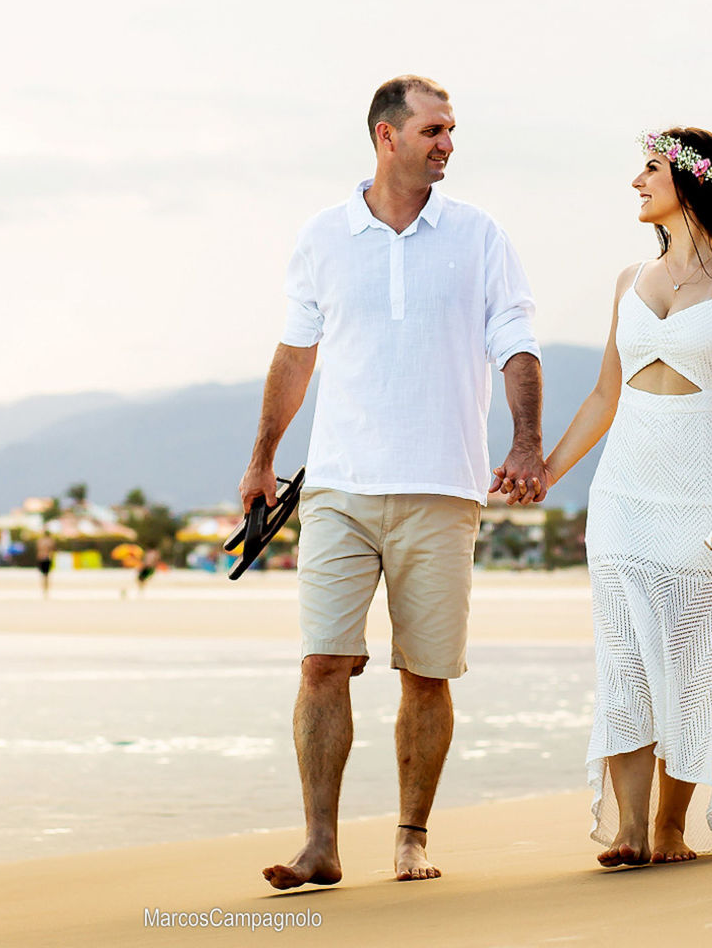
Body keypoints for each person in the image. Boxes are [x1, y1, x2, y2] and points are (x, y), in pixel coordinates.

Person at [241, 75, 545, 890]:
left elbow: (516, 340)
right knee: (321, 663)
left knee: (426, 672)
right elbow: (295, 354)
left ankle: (412, 838)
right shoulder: (323, 236)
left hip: (443, 485)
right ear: (387, 136)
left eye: (450, 130)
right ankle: (320, 844)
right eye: (433, 130)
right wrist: (261, 458)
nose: (448, 143)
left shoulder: (478, 235)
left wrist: (525, 442)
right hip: (338, 486)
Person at [539, 127, 712, 866]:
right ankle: (631, 829)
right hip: (623, 490)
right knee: (625, 659)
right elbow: (605, 395)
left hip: (702, 488)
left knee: (694, 660)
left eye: (650, 169)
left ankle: (672, 828)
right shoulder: (628, 281)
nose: (636, 182)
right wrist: (545, 473)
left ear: (693, 182)